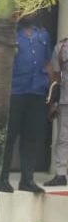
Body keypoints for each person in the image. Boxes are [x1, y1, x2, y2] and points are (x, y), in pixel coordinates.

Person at [0, 13, 51, 193]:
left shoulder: (43, 35)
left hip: (37, 91)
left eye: (32, 11)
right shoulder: (11, 34)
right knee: (9, 136)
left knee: (31, 137)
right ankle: (2, 179)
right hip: (15, 91)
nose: (30, 14)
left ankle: (27, 180)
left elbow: (48, 63)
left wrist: (48, 85)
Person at [45, 36, 68, 187]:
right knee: (63, 138)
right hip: (65, 99)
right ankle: (61, 174)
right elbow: (55, 75)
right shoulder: (61, 46)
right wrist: (54, 100)